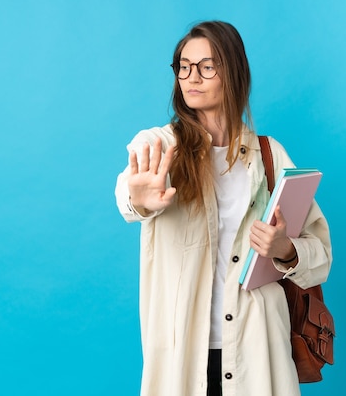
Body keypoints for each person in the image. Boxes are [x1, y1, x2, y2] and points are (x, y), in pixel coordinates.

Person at [115, 20, 332, 396]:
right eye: (183, 66)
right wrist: (138, 199)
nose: (191, 77)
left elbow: (321, 256)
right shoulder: (163, 147)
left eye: (206, 66)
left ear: (232, 71)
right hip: (182, 354)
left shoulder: (270, 156)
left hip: (256, 350)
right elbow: (131, 184)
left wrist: (284, 249)